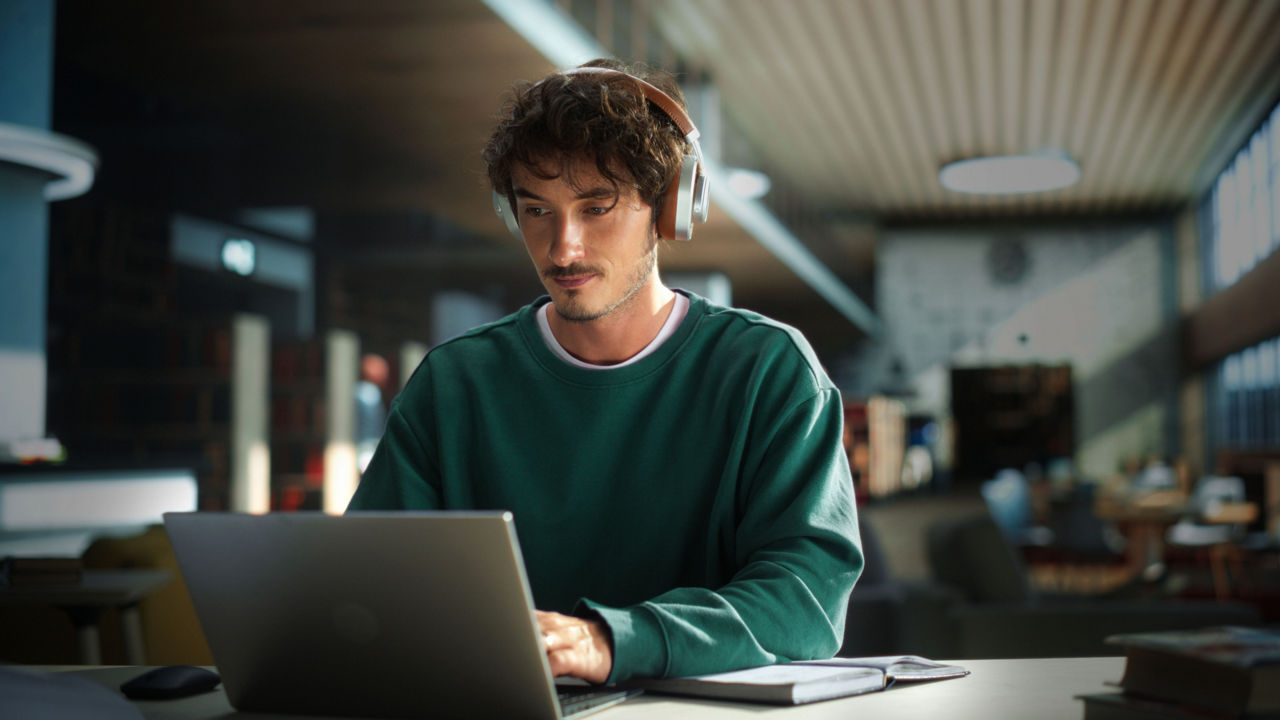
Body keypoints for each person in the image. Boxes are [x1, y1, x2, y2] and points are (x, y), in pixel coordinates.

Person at [347, 58, 862, 685]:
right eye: (537, 211)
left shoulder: (766, 370)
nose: (563, 248)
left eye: (597, 208)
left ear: (667, 208)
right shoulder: (456, 382)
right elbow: (367, 591)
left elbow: (805, 601)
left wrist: (612, 643)